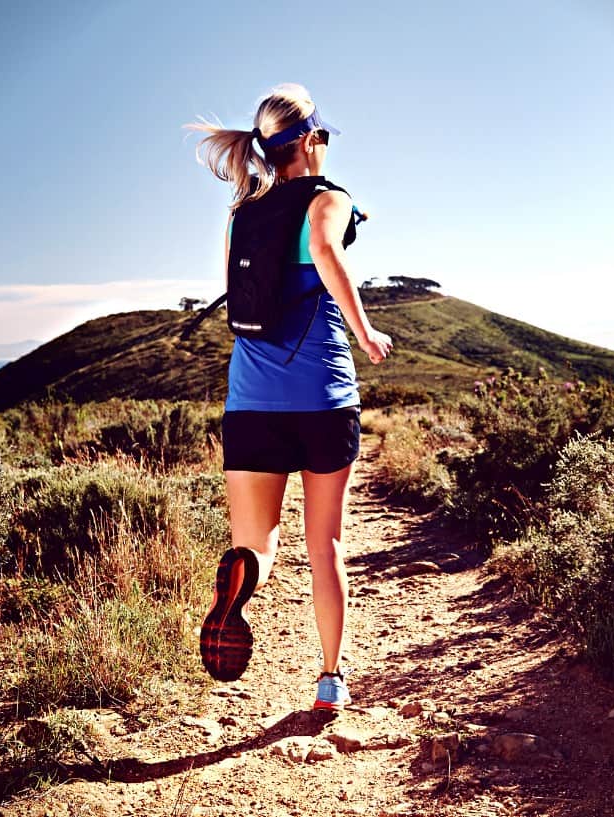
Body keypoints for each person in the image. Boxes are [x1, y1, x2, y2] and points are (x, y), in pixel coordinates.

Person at [185, 83, 392, 710]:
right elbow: (327, 252)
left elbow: (232, 291)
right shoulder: (328, 198)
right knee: (325, 541)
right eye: (323, 138)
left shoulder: (241, 212)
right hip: (323, 399)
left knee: (256, 540)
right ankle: (330, 680)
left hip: (251, 402)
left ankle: (241, 581)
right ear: (308, 141)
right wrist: (366, 331)